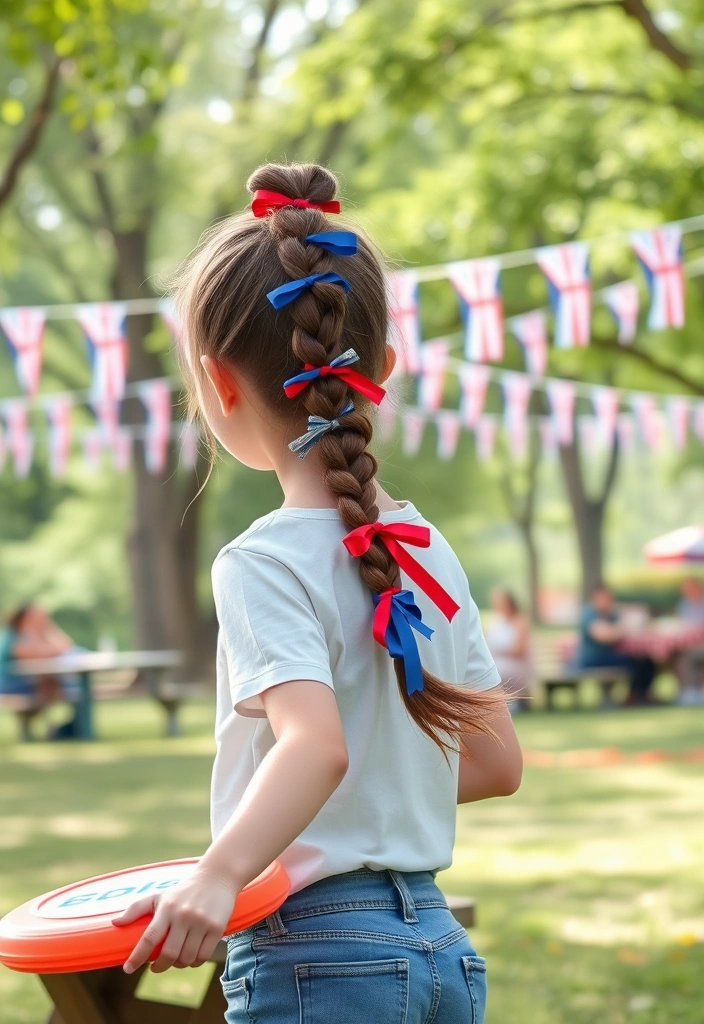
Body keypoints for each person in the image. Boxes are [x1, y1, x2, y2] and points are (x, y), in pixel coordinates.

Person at [113, 163, 522, 1023]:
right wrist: (376, 806)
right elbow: (496, 764)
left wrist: (220, 873)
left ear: (218, 382)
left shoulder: (260, 561)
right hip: (440, 948)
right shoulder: (426, 547)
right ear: (388, 365)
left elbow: (316, 747)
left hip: (315, 955)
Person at [575, 583, 656, 705]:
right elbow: (602, 635)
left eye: (608, 598)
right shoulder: (589, 613)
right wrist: (623, 629)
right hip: (593, 659)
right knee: (635, 663)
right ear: (595, 598)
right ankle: (635, 696)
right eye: (603, 598)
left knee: (647, 661)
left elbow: (628, 623)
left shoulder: (610, 613)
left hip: (608, 655)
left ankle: (641, 694)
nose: (606, 601)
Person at [0, 603, 71, 708]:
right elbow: (45, 654)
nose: (41, 620)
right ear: (26, 618)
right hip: (7, 685)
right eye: (37, 616)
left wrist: (47, 628)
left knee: (55, 684)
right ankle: (75, 723)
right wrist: (47, 630)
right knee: (52, 684)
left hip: (21, 682)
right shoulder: (14, 637)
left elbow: (64, 648)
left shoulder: (24, 635)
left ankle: (73, 722)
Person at [486, 588, 534, 711]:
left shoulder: (520, 620)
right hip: (498, 661)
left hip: (517, 664)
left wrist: (498, 651)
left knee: (492, 671)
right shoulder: (496, 621)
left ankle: (506, 703)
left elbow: (520, 650)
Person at [675, 577, 704, 705]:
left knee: (689, 655)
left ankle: (695, 691)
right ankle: (688, 691)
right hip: (690, 643)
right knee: (679, 655)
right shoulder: (684, 605)